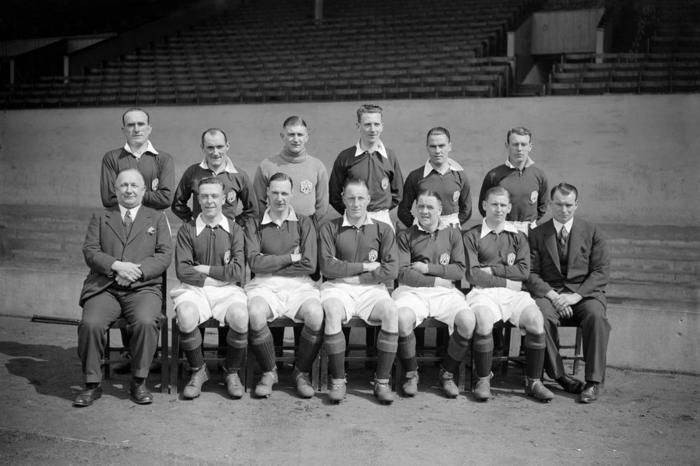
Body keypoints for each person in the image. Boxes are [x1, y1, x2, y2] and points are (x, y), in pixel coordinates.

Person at [74, 168, 172, 407]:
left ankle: (139, 381)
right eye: (123, 186)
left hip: (143, 288)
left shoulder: (156, 218)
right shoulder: (101, 217)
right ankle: (91, 384)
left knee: (146, 322)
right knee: (90, 324)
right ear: (116, 191)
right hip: (105, 286)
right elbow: (90, 251)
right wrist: (117, 266)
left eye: (134, 185)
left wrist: (134, 272)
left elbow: (164, 254)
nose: (128, 190)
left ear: (143, 190)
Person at [462, 186, 554, 402]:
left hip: (513, 295)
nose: (498, 209)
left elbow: (523, 272)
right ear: (484, 205)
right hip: (483, 293)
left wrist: (493, 270)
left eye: (503, 205)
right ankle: (483, 379)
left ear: (509, 208)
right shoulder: (472, 235)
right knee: (483, 321)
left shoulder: (519, 237)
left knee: (535, 319)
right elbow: (473, 275)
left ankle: (533, 381)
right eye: (494, 204)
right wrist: (506, 280)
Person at [527, 183, 611, 403]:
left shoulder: (592, 232)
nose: (563, 210)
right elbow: (531, 274)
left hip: (583, 295)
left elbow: (601, 271)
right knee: (540, 317)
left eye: (568, 205)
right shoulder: (537, 234)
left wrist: (576, 296)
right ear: (551, 204)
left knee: (597, 317)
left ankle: (593, 382)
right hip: (551, 294)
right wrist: (554, 296)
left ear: (576, 205)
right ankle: (560, 375)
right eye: (558, 204)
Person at [319, 178, 399, 404]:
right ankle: (338, 380)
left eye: (360, 198)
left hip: (372, 290)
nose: (355, 203)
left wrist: (349, 274)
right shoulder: (329, 227)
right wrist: (364, 267)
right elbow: (327, 267)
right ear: (343, 198)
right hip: (337, 288)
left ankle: (382, 382)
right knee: (333, 311)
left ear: (369, 200)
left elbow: (391, 270)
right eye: (351, 198)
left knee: (391, 312)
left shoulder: (383, 229)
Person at [244, 172, 324, 398]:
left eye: (284, 193)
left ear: (292, 194)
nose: (280, 198)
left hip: (300, 285)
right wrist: (290, 258)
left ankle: (301, 373)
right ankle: (270, 372)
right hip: (264, 284)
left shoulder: (304, 222)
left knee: (316, 314)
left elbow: (309, 265)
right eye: (275, 193)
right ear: (267, 194)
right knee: (255, 313)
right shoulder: (254, 222)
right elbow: (255, 263)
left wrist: (269, 262)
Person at [170, 177, 247, 400]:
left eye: (214, 196)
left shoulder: (235, 230)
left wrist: (204, 268)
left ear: (224, 199)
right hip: (194, 289)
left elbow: (237, 272)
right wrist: (216, 278)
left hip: (228, 290)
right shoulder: (187, 230)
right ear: (198, 199)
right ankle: (199, 370)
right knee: (185, 316)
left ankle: (231, 371)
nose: (209, 201)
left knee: (241, 317)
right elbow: (183, 271)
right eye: (204, 196)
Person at [394, 190, 471, 397]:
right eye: (421, 207)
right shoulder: (405, 235)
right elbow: (403, 274)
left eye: (430, 207)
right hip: (413, 292)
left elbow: (459, 270)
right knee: (402, 319)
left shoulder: (453, 234)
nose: (425, 211)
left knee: (467, 321)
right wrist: (438, 279)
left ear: (440, 210)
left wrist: (427, 269)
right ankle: (411, 374)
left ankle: (447, 374)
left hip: (445, 293)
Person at [328, 104, 403, 230]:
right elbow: (334, 195)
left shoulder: (390, 156)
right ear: (358, 126)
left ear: (382, 126)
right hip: (353, 220)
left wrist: (380, 210)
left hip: (382, 218)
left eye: (376, 124)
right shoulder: (345, 157)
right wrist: (353, 212)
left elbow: (398, 193)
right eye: (367, 124)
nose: (373, 129)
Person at [253, 116, 329, 228]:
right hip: (275, 228)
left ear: (307, 137)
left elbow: (322, 204)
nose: (296, 139)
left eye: (300, 134)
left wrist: (311, 228)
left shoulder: (317, 166)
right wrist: (271, 225)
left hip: (308, 230)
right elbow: (257, 201)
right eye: (291, 134)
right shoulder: (266, 166)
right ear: (282, 136)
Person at [172, 128, 257, 227]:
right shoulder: (192, 172)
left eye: (219, 147)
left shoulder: (239, 176)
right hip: (199, 235)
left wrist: (234, 225)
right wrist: (192, 221)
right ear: (202, 147)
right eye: (210, 147)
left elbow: (252, 210)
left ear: (227, 146)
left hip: (229, 237)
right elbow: (177, 205)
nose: (215, 152)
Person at [100, 108, 175, 210]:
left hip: (155, 223)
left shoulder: (164, 159)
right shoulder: (111, 158)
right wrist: (150, 196)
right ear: (124, 130)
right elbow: (108, 199)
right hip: (121, 222)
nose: (136, 129)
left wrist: (127, 195)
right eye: (131, 125)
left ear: (149, 129)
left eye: (141, 124)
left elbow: (166, 199)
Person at [477, 127, 548, 235]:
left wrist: (526, 223)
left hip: (530, 232)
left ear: (530, 146)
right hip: (502, 231)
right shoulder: (494, 175)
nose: (519, 149)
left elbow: (542, 206)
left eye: (523, 144)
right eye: (515, 144)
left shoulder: (539, 175)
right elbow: (484, 207)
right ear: (507, 145)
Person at [398, 127, 472, 229]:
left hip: (451, 234)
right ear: (427, 147)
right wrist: (417, 228)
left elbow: (467, 210)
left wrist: (453, 226)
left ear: (449, 146)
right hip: (423, 233)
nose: (437, 151)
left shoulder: (460, 175)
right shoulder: (415, 177)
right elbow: (403, 211)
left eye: (441, 146)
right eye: (433, 146)